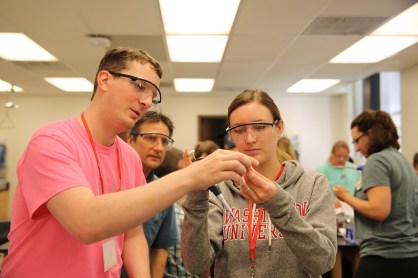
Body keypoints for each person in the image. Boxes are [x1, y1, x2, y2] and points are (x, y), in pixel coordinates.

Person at [0, 47, 256, 278]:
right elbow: (85, 222)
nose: (146, 101)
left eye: (153, 95)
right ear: (104, 80)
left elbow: (132, 232)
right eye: (139, 85)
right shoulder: (52, 141)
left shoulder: (129, 156)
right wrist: (191, 176)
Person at [181, 89, 337, 277]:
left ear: (278, 128)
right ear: (231, 136)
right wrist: (197, 193)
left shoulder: (312, 185)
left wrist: (278, 205)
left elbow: (323, 262)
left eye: (260, 127)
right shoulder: (220, 189)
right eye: (239, 130)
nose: (249, 139)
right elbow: (196, 265)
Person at [333, 110, 418, 278]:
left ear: (371, 133)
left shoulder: (376, 161)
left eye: (357, 140)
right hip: (408, 256)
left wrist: (346, 196)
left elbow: (379, 210)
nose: (356, 148)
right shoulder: (400, 160)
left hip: (384, 256)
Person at [120, 110, 179, 278]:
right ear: (131, 139)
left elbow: (160, 248)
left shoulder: (163, 189)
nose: (159, 147)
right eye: (151, 138)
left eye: (165, 141)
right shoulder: (111, 179)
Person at [317, 140, 360, 209]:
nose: (341, 160)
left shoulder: (354, 169)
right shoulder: (321, 171)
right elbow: (317, 195)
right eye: (338, 156)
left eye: (345, 157)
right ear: (332, 154)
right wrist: (331, 202)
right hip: (332, 209)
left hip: (352, 208)